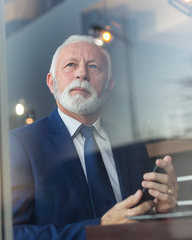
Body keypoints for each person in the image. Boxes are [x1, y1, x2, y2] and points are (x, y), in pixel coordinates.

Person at [10, 35, 178, 240]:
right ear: (51, 82)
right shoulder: (22, 144)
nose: (82, 73)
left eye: (94, 67)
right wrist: (98, 228)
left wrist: (162, 211)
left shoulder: (130, 143)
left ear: (108, 87)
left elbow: (143, 221)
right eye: (71, 65)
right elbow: (11, 233)